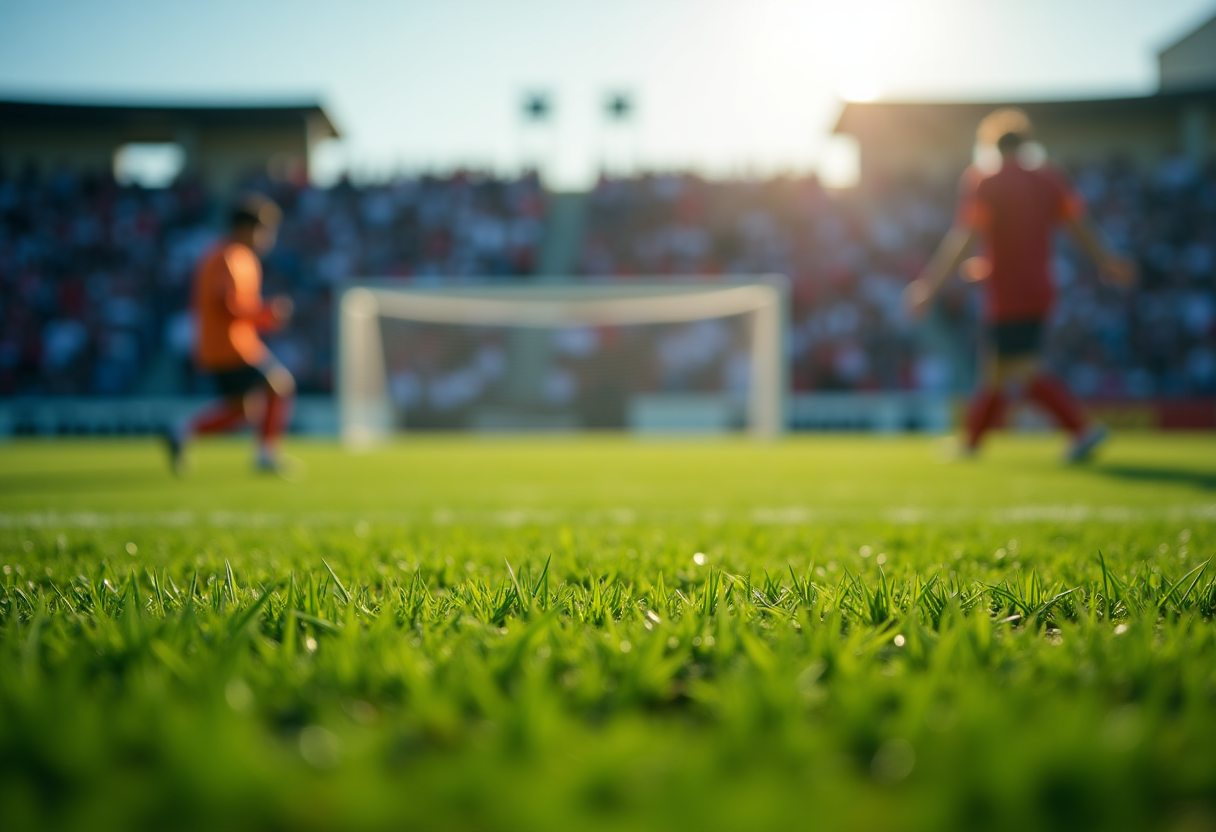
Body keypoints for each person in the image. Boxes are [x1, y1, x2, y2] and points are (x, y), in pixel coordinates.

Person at [904, 108, 1136, 462]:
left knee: (1023, 370)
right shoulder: (1049, 179)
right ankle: (972, 443)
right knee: (995, 370)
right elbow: (1079, 225)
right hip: (1041, 287)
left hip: (1007, 292)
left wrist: (929, 286)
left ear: (992, 145)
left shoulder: (986, 180)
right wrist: (1108, 260)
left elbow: (965, 237)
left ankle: (1081, 430)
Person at [164, 194, 298, 476]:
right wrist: (265, 314)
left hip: (229, 345)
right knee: (279, 387)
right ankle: (266, 455)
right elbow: (225, 303)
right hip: (230, 347)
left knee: (241, 411)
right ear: (245, 229)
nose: (268, 237)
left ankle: (182, 431)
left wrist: (261, 318)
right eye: (265, 230)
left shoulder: (239, 257)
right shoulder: (228, 256)